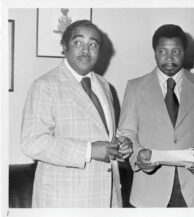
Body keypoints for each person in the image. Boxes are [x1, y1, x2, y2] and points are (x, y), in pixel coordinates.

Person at [21, 20, 132, 208]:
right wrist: (89, 151)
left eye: (93, 44)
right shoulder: (45, 85)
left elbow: (102, 133)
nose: (86, 50)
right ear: (64, 46)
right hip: (65, 201)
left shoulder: (104, 86)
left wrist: (121, 144)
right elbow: (32, 142)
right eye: (78, 42)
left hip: (107, 198)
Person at [117, 24, 194, 207]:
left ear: (185, 52)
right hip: (149, 190)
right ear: (154, 52)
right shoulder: (135, 87)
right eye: (162, 51)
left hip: (193, 187)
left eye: (176, 51)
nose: (169, 58)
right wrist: (138, 156)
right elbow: (127, 133)